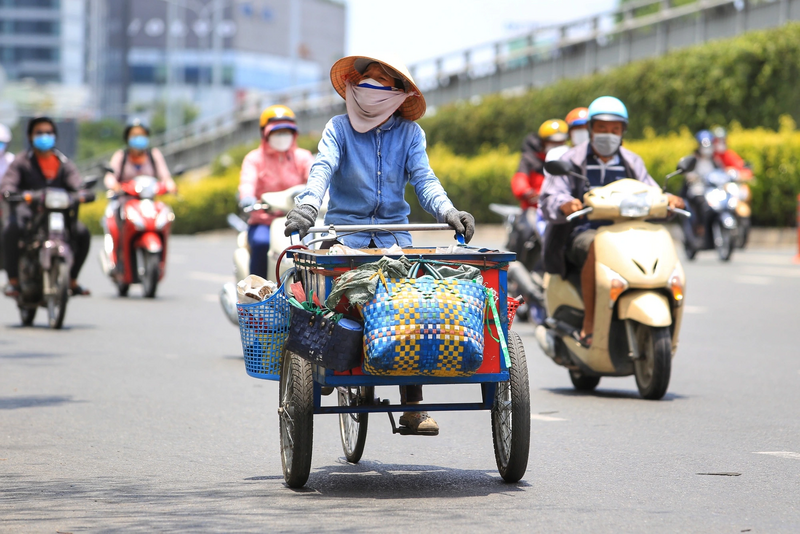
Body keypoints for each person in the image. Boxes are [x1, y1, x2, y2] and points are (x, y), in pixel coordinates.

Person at [284, 54, 476, 436]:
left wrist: (449, 212)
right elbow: (322, 168)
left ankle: (414, 407)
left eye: (382, 82)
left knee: (415, 309)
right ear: (355, 87)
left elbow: (425, 181)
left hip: (394, 237)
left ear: (397, 94)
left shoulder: (410, 135)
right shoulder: (337, 129)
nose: (372, 89)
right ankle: (342, 366)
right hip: (345, 236)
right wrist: (308, 205)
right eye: (366, 80)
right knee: (337, 303)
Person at [539, 96, 684, 347]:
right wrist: (565, 203)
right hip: (582, 233)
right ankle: (590, 325)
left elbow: (650, 191)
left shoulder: (632, 161)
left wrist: (669, 200)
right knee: (598, 244)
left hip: (628, 232)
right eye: (602, 128)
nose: (608, 134)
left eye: (615, 129)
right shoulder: (572, 160)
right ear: (591, 129)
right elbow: (551, 195)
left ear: (623, 132)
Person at [1, 117, 92, 297]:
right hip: (29, 211)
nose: (45, 137)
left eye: (49, 133)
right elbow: (9, 184)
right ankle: (13, 281)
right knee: (12, 229)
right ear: (30, 136)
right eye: (39, 133)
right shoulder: (21, 162)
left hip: (58, 211)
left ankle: (72, 280)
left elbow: (77, 184)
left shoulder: (63, 163)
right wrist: (13, 193)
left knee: (82, 233)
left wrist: (82, 193)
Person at [238, 105, 314, 278]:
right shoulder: (254, 159)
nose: (282, 136)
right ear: (265, 133)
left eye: (286, 131)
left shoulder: (303, 157)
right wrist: (247, 198)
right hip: (263, 221)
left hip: (299, 221)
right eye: (277, 131)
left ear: (294, 133)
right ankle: (257, 293)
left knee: (317, 247)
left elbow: (315, 179)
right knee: (260, 243)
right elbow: (247, 182)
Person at [104, 121, 176, 275]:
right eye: (135, 135)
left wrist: (170, 185)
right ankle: (118, 260)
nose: (139, 139)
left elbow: (165, 177)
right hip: (125, 203)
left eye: (142, 135)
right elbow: (110, 178)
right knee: (118, 229)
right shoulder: (121, 157)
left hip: (148, 203)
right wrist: (116, 186)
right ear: (127, 138)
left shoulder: (153, 155)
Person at [511, 119, 568, 210]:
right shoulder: (530, 159)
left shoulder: (570, 159)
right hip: (535, 210)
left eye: (561, 142)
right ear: (543, 142)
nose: (557, 145)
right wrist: (527, 192)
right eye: (552, 141)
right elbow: (520, 179)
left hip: (561, 209)